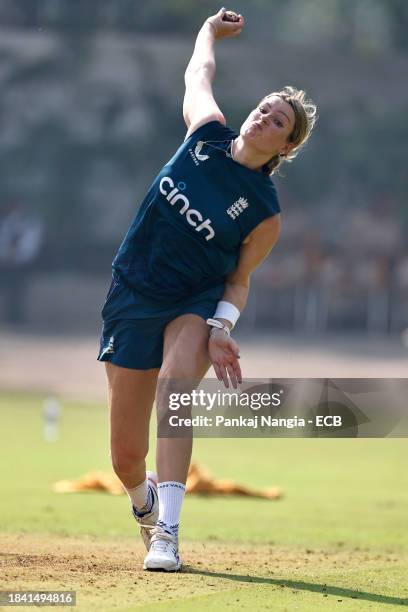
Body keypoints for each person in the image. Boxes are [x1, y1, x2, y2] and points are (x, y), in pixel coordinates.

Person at [97, 7, 317, 572]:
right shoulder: (205, 133)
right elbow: (199, 71)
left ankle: (167, 534)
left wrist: (220, 327)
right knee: (125, 458)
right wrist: (208, 30)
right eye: (265, 108)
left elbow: (238, 281)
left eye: (277, 123)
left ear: (285, 147)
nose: (264, 119)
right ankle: (142, 501)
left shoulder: (265, 213)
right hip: (132, 293)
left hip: (191, 303)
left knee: (175, 389)